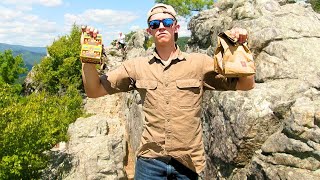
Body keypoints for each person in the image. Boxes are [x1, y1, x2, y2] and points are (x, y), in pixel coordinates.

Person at [80, 3, 255, 180]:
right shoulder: (136, 66)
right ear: (149, 31)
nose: (161, 26)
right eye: (155, 24)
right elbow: (94, 90)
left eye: (167, 22)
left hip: (188, 163)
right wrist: (88, 58)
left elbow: (245, 84)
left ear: (176, 27)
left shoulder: (199, 63)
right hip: (150, 163)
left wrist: (239, 47)